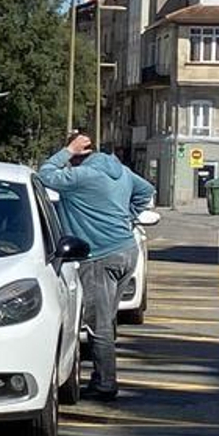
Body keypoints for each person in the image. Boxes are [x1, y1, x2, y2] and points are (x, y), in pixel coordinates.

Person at [37, 132, 155, 401]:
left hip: (99, 255)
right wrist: (128, 217)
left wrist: (67, 149)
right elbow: (146, 191)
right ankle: (101, 376)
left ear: (77, 155)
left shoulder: (82, 177)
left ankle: (105, 383)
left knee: (97, 324)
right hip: (126, 249)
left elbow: (45, 174)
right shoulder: (120, 171)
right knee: (107, 319)